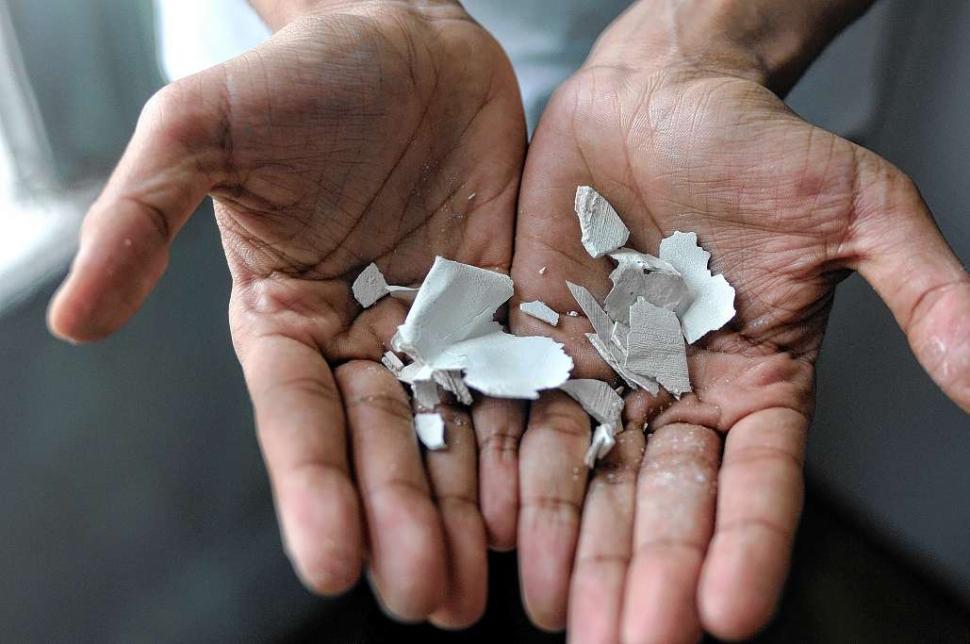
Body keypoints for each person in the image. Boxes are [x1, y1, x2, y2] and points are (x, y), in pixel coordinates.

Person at [47, 1, 970, 641]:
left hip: (731, 117)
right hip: (342, 130)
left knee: (728, 468)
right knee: (396, 513)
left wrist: (714, 35)